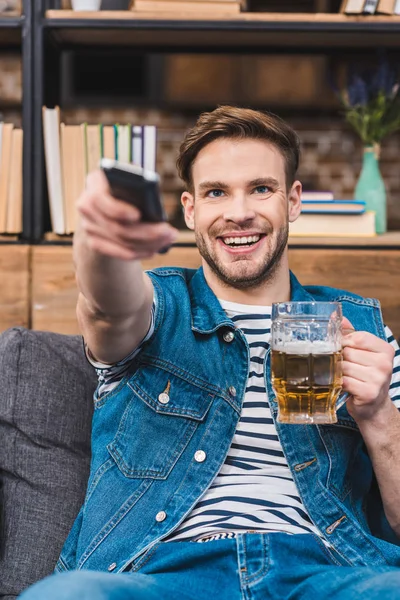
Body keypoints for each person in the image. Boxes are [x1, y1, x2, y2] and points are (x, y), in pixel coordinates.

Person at [20, 106, 400, 600]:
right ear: (190, 209)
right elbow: (108, 306)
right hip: (163, 572)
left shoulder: (363, 329)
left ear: (294, 201)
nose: (238, 212)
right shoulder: (160, 308)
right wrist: (102, 242)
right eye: (216, 192)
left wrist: (378, 417)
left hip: (323, 569)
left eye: (261, 189)